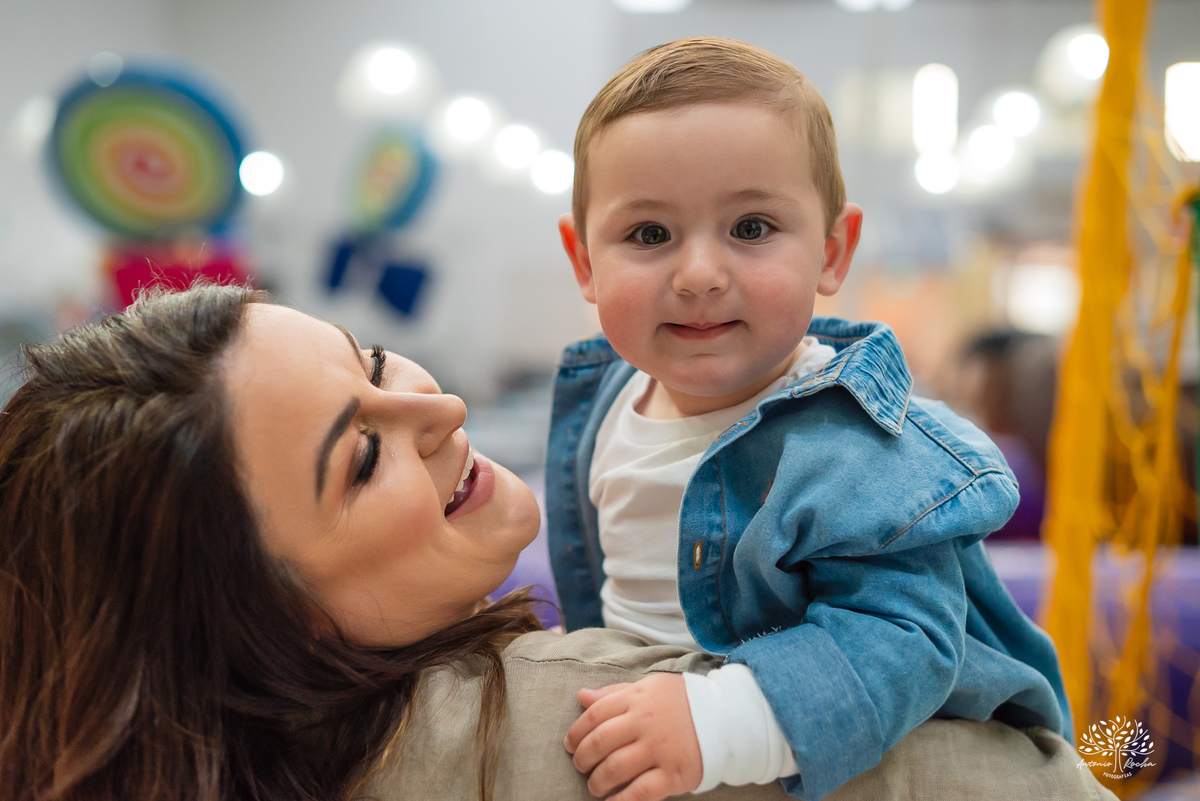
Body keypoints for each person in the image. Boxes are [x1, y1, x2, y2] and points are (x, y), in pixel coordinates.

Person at [0, 284, 1113, 801]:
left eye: (374, 361)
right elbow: (1044, 779)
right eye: (363, 456)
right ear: (253, 619)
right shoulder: (576, 722)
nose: (439, 409)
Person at [547, 37, 1072, 801]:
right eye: (650, 234)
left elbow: (902, 640)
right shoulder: (603, 403)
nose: (699, 274)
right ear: (585, 262)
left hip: (833, 749)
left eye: (751, 228)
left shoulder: (858, 444)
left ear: (831, 252)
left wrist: (717, 724)